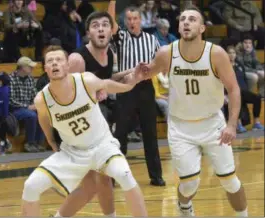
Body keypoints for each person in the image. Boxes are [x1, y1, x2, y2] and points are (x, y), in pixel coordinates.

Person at [137, 5, 248, 216]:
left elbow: (233, 89)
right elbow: (144, 74)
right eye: (183, 19)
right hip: (180, 127)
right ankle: (185, 206)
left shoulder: (216, 54)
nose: (186, 22)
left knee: (230, 182)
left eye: (192, 19)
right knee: (189, 185)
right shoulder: (166, 53)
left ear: (202, 28)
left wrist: (232, 125)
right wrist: (131, 75)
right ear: (178, 27)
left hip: (212, 124)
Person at [21, 45, 147, 217]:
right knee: (31, 186)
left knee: (124, 175)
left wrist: (132, 83)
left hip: (102, 145)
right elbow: (43, 119)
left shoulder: (85, 81)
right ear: (45, 69)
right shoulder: (42, 99)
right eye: (50, 61)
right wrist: (50, 141)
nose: (55, 63)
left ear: (67, 65)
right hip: (73, 152)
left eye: (59, 60)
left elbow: (109, 84)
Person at [57, 11, 120, 217]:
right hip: (76, 125)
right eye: (95, 25)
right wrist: (95, 92)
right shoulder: (77, 58)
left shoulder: (111, 53)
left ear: (111, 31)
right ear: (88, 33)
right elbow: (68, 97)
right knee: (94, 181)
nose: (101, 28)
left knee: (100, 178)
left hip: (95, 122)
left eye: (105, 25)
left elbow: (105, 82)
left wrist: (132, 74)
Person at [108, 0, 165, 186]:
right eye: (129, 19)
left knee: (150, 133)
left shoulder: (152, 39)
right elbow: (109, 20)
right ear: (125, 21)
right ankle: (114, 177)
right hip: (126, 88)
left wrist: (150, 69)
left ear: (140, 20)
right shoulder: (122, 37)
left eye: (135, 18)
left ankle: (156, 176)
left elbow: (159, 65)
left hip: (146, 88)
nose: (132, 21)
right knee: (121, 134)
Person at [226, 46, 264, 133]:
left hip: (243, 90)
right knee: (238, 97)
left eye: (233, 53)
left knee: (257, 97)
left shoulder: (239, 64)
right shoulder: (225, 66)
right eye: (229, 53)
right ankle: (238, 124)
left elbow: (244, 78)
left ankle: (256, 123)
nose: (232, 55)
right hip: (232, 92)